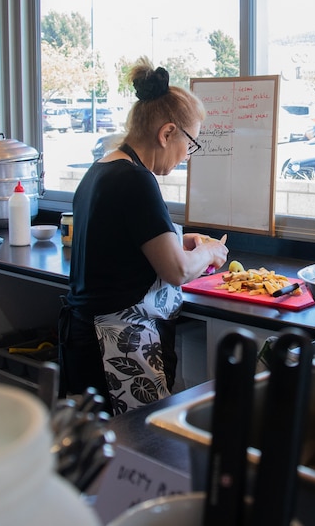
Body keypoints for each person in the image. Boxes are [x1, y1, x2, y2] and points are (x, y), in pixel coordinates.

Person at [59, 58, 228, 415]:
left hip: (85, 338)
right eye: (190, 144)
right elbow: (177, 271)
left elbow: (121, 247)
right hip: (116, 345)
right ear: (167, 133)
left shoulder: (103, 170)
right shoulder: (136, 180)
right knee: (136, 452)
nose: (186, 156)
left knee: (100, 454)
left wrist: (175, 240)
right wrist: (209, 252)